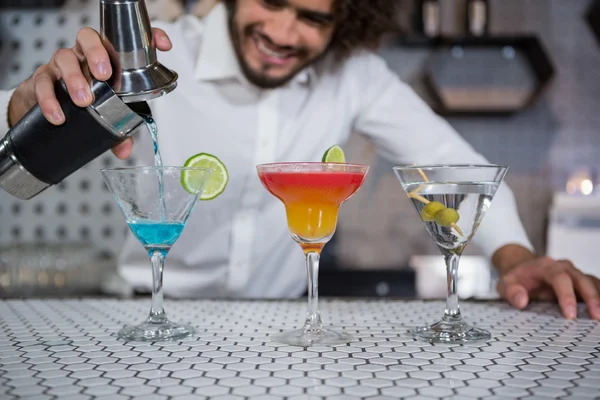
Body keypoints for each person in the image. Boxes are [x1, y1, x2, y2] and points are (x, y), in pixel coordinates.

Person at [1, 0, 598, 320]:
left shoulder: (355, 75)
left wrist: (518, 258)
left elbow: (451, 168)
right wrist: (25, 109)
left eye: (313, 16)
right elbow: (28, 113)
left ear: (344, 23)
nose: (284, 32)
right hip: (152, 316)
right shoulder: (156, 53)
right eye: (272, 2)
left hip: (282, 331)